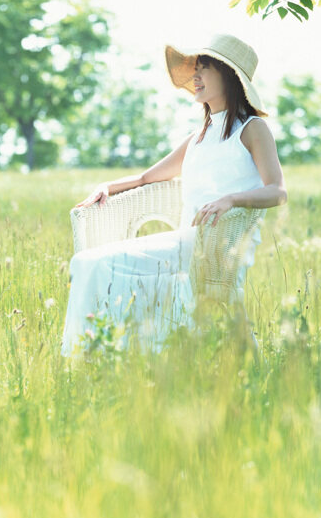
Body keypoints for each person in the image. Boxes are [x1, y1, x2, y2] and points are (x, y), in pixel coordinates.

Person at [60, 33, 288, 357]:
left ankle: (92, 356)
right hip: (187, 243)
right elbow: (147, 177)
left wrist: (232, 199)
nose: (196, 76)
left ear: (230, 77)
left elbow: (277, 191)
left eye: (204, 68)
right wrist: (107, 187)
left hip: (218, 247)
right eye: (196, 69)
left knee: (92, 264)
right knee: (86, 263)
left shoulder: (252, 129)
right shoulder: (198, 137)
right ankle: (96, 357)